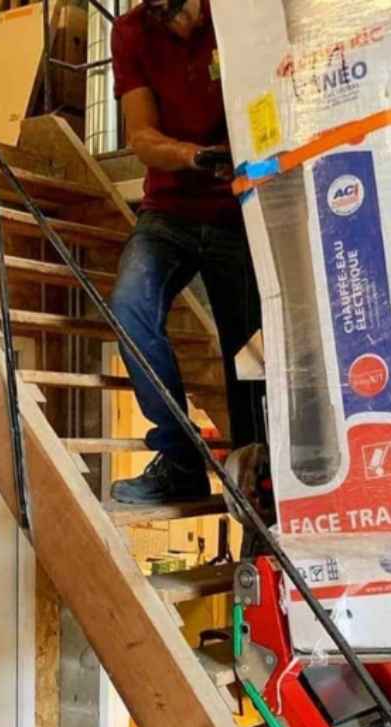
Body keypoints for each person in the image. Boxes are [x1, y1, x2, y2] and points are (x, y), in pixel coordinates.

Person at [108, 0, 265, 505]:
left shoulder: (236, 14)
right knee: (131, 306)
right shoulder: (131, 31)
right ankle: (179, 461)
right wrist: (196, 158)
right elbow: (142, 136)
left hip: (240, 212)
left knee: (246, 357)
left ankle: (257, 492)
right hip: (169, 213)